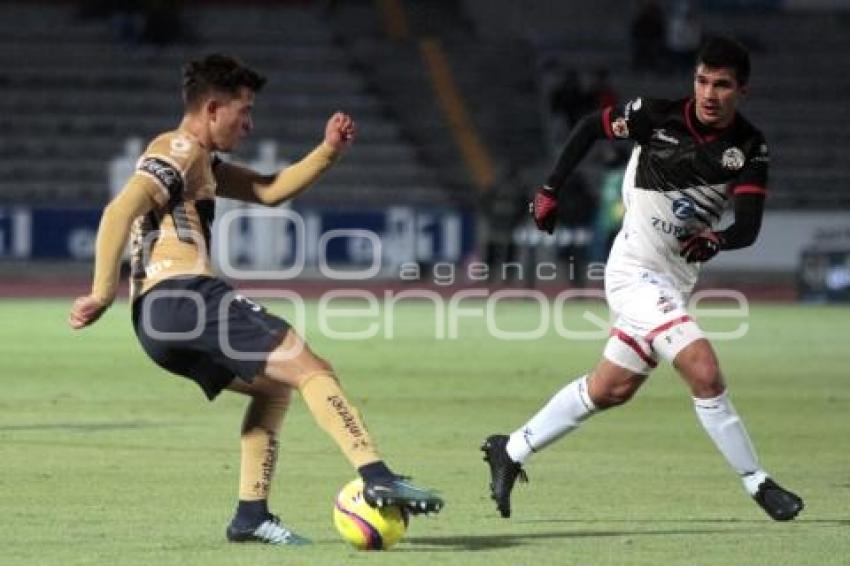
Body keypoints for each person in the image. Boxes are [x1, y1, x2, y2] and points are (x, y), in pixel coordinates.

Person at [68, 54, 443, 546]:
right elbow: (119, 211)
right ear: (211, 108)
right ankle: (376, 474)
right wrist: (101, 292)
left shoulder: (202, 161)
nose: (249, 123)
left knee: (274, 389)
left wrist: (327, 151)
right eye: (243, 111)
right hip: (184, 296)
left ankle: (251, 515)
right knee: (312, 367)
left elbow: (269, 191)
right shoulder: (178, 149)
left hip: (159, 322)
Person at [481, 37, 803, 522]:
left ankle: (512, 448)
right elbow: (591, 126)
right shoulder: (656, 116)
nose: (710, 93)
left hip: (674, 281)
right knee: (704, 370)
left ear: (742, 91)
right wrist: (550, 189)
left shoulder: (749, 147)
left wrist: (718, 241)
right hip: (633, 273)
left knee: (610, 389)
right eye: (702, 80)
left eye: (722, 85)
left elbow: (748, 227)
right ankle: (756, 482)